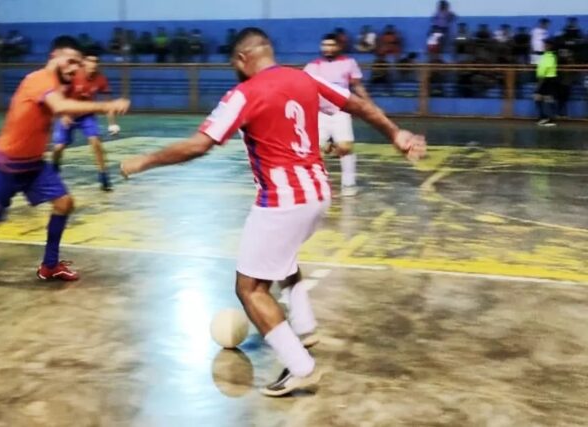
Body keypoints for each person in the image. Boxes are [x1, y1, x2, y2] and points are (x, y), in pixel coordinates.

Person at [120, 27, 426, 397]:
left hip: (282, 202)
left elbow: (200, 145)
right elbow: (358, 105)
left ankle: (300, 367)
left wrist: (144, 161)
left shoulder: (243, 93)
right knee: (283, 257)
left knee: (249, 288)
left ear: (241, 59)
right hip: (318, 194)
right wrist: (396, 135)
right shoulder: (306, 78)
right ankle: (306, 326)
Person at [0, 36, 130, 285]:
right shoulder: (39, 79)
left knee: (64, 203)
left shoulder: (62, 84)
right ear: (54, 57)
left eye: (78, 64)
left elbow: (62, 105)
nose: (74, 68)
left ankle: (50, 265)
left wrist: (73, 112)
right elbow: (58, 106)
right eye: (70, 61)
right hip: (4, 164)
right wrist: (107, 107)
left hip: (34, 164)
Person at [304, 33, 372, 197]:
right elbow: (303, 89)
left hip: (342, 111)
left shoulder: (349, 63)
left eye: (331, 45)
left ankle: (348, 185)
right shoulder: (312, 66)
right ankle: (315, 185)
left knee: (345, 148)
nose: (328, 48)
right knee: (313, 151)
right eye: (325, 45)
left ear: (338, 47)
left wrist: (368, 104)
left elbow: (357, 86)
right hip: (320, 114)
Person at [52, 52, 120, 192]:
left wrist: (112, 123)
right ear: (84, 62)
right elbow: (58, 96)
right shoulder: (74, 75)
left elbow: (108, 103)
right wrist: (64, 114)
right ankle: (54, 168)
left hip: (86, 116)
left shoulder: (101, 79)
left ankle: (104, 177)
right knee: (58, 148)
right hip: (68, 114)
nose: (93, 64)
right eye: (90, 61)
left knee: (96, 142)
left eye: (96, 61)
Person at [534, 38, 558, 126]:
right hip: (545, 79)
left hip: (547, 79)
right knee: (538, 97)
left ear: (550, 46)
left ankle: (550, 118)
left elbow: (543, 71)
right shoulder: (546, 55)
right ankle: (543, 117)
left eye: (546, 44)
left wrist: (539, 84)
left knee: (547, 99)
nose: (544, 46)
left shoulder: (550, 56)